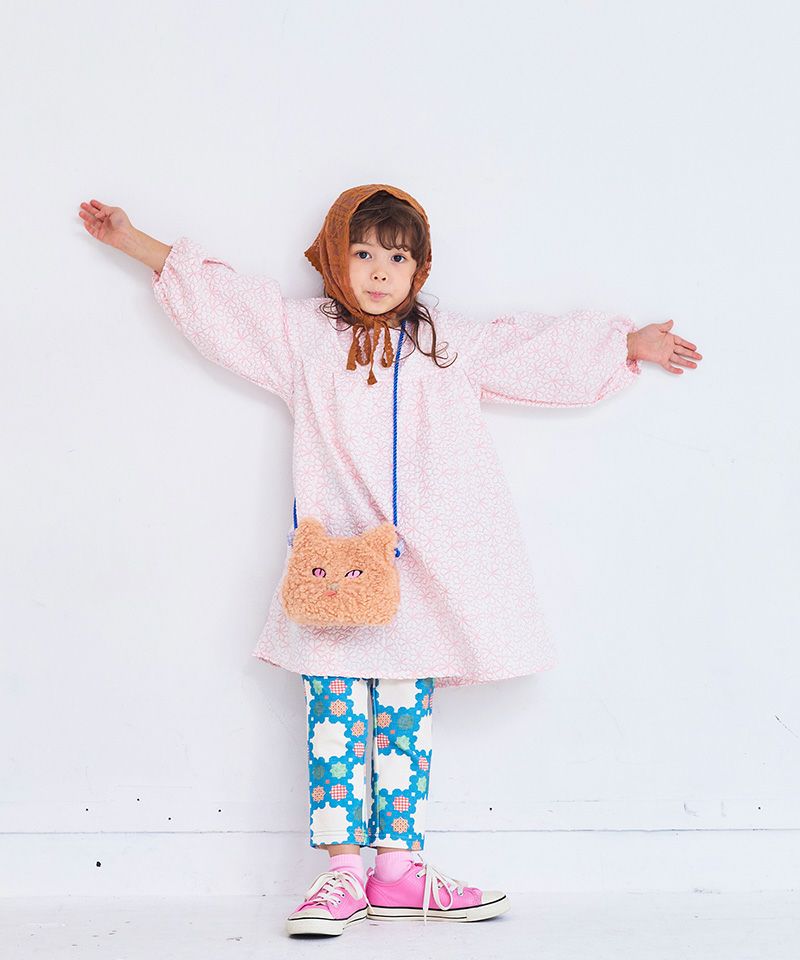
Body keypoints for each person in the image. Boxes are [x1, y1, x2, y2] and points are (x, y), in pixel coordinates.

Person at [77, 183, 702, 938]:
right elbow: (227, 303)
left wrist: (625, 343)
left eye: (398, 257)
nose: (379, 271)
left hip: (417, 573)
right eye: (363, 252)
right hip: (334, 571)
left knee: (405, 711)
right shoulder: (303, 336)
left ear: (419, 268)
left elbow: (530, 349)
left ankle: (398, 871)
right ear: (333, 259)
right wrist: (131, 239)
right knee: (334, 709)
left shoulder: (444, 343)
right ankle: (343, 872)